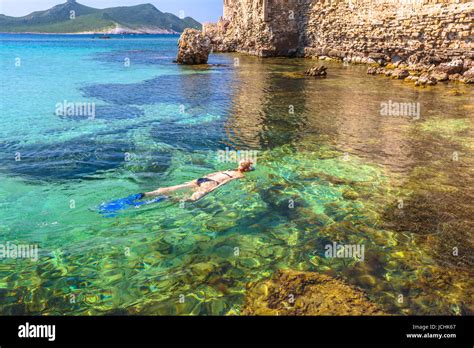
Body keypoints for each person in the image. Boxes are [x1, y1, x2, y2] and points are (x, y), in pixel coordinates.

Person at [144, 160, 254, 202]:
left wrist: (196, 180)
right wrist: (214, 189)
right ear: (247, 169)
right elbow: (225, 182)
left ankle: (147, 194)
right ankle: (167, 198)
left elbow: (213, 174)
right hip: (211, 184)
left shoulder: (229, 169)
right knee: (192, 199)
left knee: (173, 188)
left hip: (203, 179)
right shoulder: (239, 175)